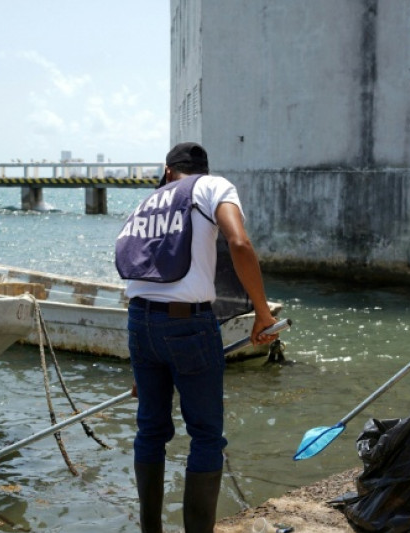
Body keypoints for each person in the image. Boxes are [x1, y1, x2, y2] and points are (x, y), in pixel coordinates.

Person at [115, 141, 278, 533]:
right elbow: (239, 242)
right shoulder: (212, 186)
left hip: (140, 322)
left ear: (168, 171)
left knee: (150, 431)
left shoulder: (147, 203)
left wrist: (142, 368)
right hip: (188, 324)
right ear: (203, 170)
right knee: (205, 436)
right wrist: (262, 312)